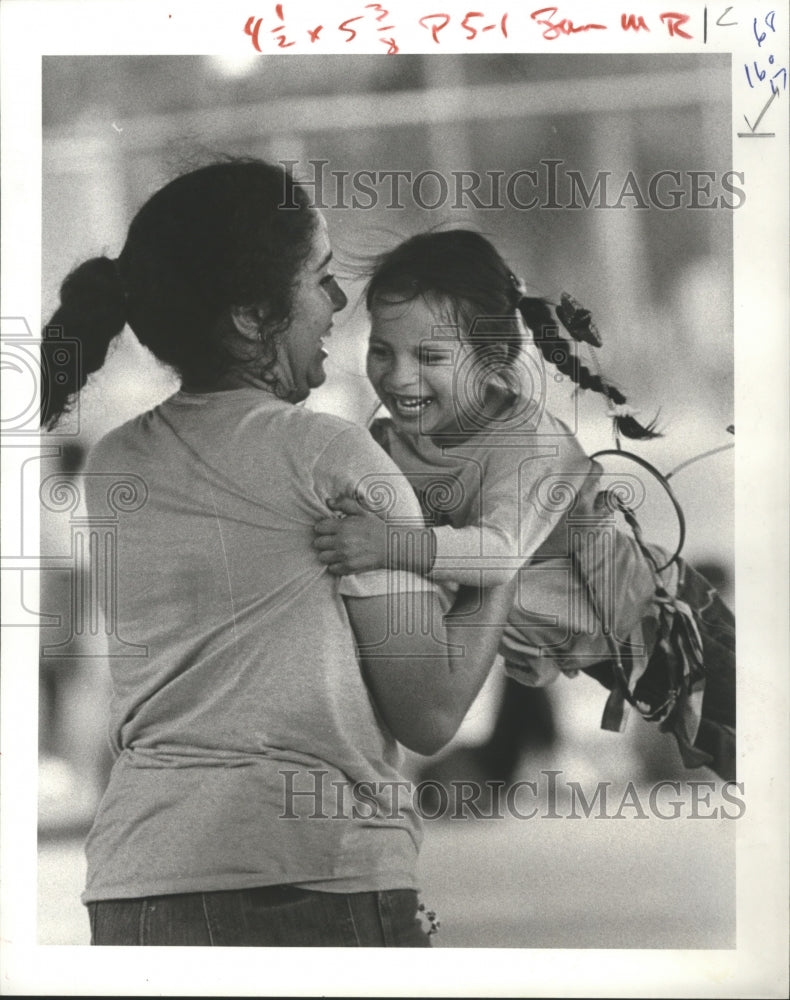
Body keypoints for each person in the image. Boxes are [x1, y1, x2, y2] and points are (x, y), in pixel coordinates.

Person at [41, 163, 515, 946]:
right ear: (252, 316)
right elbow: (429, 714)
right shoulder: (334, 455)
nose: (339, 302)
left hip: (137, 881)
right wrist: (502, 558)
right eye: (320, 278)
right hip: (315, 874)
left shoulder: (114, 464)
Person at [312, 229, 736, 781]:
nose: (397, 376)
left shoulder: (529, 443)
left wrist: (386, 544)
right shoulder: (393, 445)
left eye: (429, 356)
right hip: (571, 637)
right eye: (381, 351)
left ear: (492, 359)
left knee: (756, 747)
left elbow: (497, 555)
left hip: (662, 622)